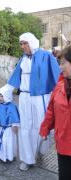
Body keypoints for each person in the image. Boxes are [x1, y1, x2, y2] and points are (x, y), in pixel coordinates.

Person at [0, 32, 60, 171]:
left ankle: (40, 151)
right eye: (21, 44)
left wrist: (60, 96)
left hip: (41, 97)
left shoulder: (46, 56)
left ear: (32, 42)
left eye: (25, 43)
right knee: (25, 127)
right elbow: (13, 79)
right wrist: (2, 92)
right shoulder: (23, 59)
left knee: (42, 127)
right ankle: (27, 158)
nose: (22, 46)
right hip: (25, 97)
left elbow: (57, 77)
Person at [40, 46, 71, 180]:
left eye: (63, 63)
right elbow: (51, 111)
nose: (60, 67)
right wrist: (45, 129)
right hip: (63, 143)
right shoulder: (59, 87)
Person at [0, 85, 20, 163]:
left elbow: (15, 117)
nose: (0, 98)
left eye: (2, 96)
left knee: (9, 143)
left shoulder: (12, 106)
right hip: (1, 128)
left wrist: (15, 125)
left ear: (7, 96)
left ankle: (9, 156)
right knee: (0, 141)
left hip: (9, 130)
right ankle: (1, 155)